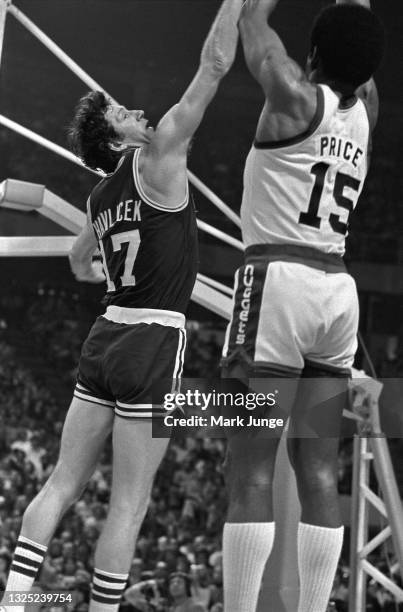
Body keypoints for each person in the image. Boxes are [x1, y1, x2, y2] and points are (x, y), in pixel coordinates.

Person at [0, 2, 244, 611]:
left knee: (61, 483)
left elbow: (80, 262)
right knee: (129, 505)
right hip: (154, 337)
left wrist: (114, 274)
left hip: (105, 335)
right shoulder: (158, 156)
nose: (136, 110)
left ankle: (15, 601)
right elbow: (214, 63)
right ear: (117, 138)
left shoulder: (98, 198)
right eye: (122, 112)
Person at [220, 1, 385, 611]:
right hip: (337, 295)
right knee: (318, 470)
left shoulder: (291, 92)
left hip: (277, 281)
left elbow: (250, 26)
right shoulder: (368, 109)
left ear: (312, 54)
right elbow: (359, 36)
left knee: (252, 473)